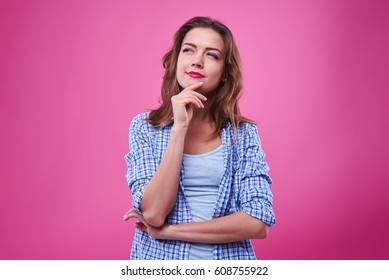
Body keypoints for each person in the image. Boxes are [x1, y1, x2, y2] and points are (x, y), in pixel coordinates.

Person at [123, 16, 275, 260]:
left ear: (225, 73)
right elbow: (153, 214)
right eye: (188, 50)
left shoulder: (243, 134)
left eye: (212, 55)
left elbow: (258, 221)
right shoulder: (145, 127)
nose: (197, 61)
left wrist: (171, 232)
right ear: (175, 61)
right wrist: (179, 127)